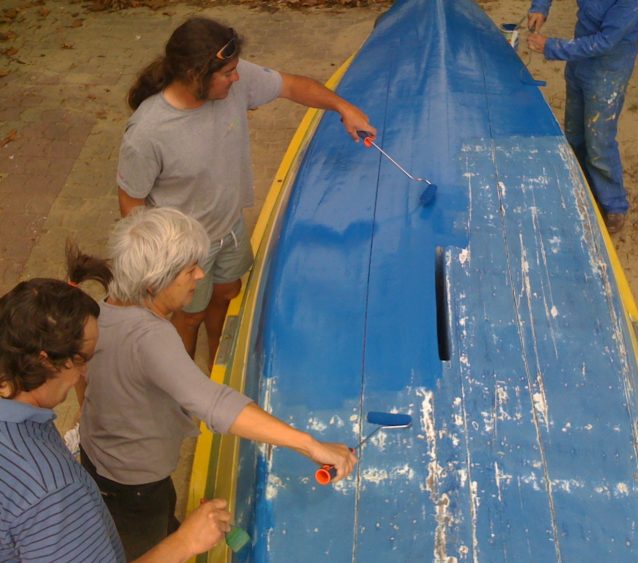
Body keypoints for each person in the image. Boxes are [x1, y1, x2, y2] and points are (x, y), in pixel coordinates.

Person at [74, 207, 358, 560]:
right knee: (145, 545)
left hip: (101, 458)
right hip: (133, 484)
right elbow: (215, 404)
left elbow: (82, 379)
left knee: (160, 516)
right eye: (188, 269)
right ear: (154, 284)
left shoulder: (105, 308)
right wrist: (309, 444)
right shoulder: (150, 337)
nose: (200, 274)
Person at [117, 17, 377, 363]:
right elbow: (130, 203)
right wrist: (164, 262)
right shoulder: (146, 133)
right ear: (195, 75)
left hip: (231, 227)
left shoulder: (233, 82)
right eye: (227, 74)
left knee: (226, 294)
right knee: (189, 315)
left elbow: (292, 86)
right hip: (182, 248)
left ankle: (216, 364)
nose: (236, 79)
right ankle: (185, 384)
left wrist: (343, 107)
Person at [0, 278, 233, 562]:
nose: (87, 371)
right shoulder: (53, 492)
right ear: (47, 361)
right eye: (84, 357)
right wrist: (186, 542)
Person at [527, 0, 638, 234]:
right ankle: (579, 187)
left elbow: (606, 41)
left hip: (608, 70)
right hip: (579, 63)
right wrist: (540, 7)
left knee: (599, 142)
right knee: (575, 133)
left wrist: (551, 47)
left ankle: (613, 204)